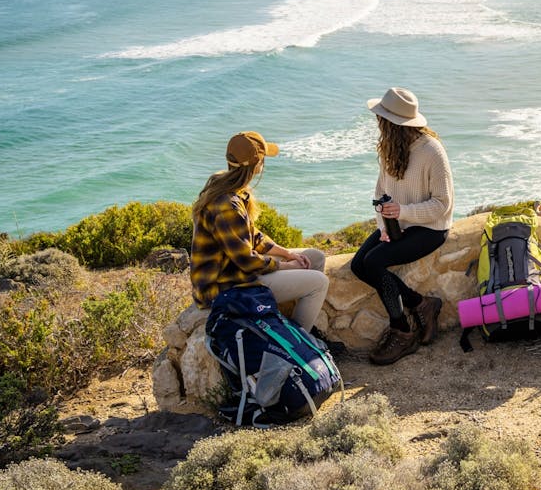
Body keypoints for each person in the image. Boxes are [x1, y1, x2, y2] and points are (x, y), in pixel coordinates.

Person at [351, 87, 454, 366]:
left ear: (391, 122)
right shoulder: (388, 148)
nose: (377, 121)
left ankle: (402, 331)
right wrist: (383, 226)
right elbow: (380, 193)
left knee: (374, 263)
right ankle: (421, 304)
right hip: (397, 224)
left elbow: (442, 204)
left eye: (381, 117)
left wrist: (404, 211)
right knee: (358, 265)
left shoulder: (432, 151)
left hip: (430, 228)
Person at [190, 131, 331, 333]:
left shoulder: (225, 186)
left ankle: (291, 327)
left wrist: (286, 253)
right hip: (225, 287)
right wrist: (285, 265)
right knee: (319, 283)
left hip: (234, 272)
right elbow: (247, 261)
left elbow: (252, 235)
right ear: (257, 165)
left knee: (315, 257)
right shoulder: (226, 205)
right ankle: (297, 341)